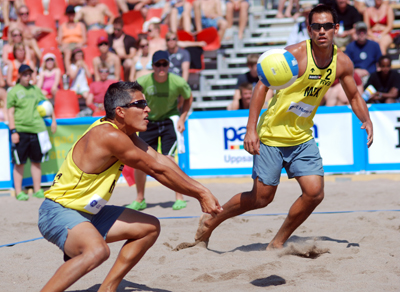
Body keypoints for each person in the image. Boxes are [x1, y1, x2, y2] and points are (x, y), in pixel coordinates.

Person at [194, 4, 373, 250]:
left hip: (301, 136)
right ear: (309, 29)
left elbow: (353, 96)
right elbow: (261, 85)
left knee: (314, 193)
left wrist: (366, 119)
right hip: (272, 135)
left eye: (327, 26)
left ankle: (277, 242)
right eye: (316, 26)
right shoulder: (295, 55)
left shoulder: (341, 62)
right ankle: (213, 219)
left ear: (336, 29)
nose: (322, 31)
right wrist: (251, 129)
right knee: (261, 198)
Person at [37, 81, 221, 292]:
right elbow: (156, 170)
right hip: (59, 211)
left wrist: (203, 190)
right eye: (140, 103)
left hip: (87, 212)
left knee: (149, 227)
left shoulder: (124, 134)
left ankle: (107, 288)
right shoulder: (109, 135)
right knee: (98, 252)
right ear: (120, 111)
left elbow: (161, 161)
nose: (147, 109)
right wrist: (200, 194)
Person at [128, 51, 193, 211]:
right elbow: (130, 98)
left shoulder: (177, 82)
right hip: (148, 122)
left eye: (164, 64)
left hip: (168, 121)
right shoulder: (142, 81)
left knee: (169, 160)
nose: (161, 68)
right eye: (158, 64)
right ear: (153, 66)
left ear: (169, 65)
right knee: (140, 162)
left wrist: (182, 118)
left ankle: (179, 197)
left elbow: (188, 97)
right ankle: (140, 198)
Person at [7, 64, 57, 201]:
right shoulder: (13, 91)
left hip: (37, 129)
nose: (27, 76)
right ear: (19, 76)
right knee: (19, 162)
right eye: (25, 74)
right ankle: (18, 191)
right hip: (21, 129)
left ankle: (37, 190)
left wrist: (54, 121)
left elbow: (48, 105)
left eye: (29, 74)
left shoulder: (36, 89)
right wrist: (13, 131)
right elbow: (10, 113)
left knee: (36, 162)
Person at [58, 5, 87, 70]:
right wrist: (63, 44)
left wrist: (80, 44)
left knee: (78, 52)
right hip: (67, 45)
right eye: (69, 13)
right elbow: (59, 40)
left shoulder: (81, 25)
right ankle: (69, 71)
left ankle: (80, 70)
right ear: (66, 14)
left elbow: (85, 39)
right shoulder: (62, 26)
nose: (71, 15)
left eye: (72, 13)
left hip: (78, 44)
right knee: (67, 52)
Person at [108, 17, 137, 81]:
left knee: (129, 63)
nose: (116, 31)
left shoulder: (130, 39)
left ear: (122, 27)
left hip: (125, 59)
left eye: (118, 29)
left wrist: (123, 56)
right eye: (114, 29)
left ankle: (127, 81)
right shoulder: (110, 38)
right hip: (113, 60)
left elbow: (132, 54)